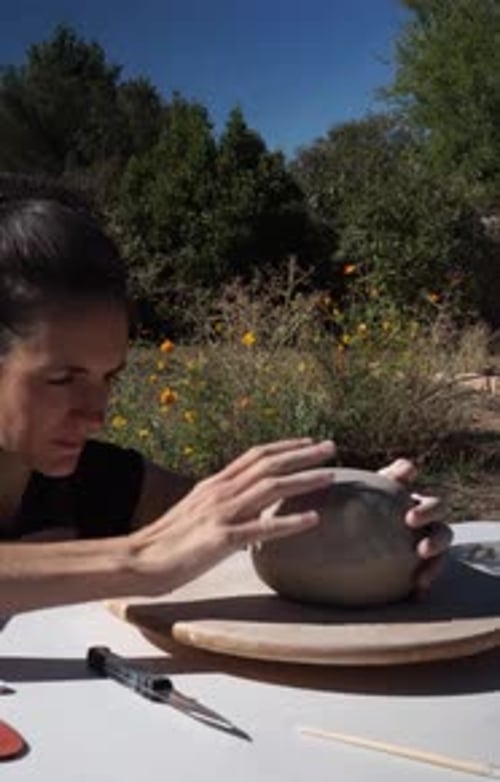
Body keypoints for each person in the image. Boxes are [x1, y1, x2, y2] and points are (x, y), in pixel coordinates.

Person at [0, 194, 451, 616]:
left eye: (109, 377)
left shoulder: (99, 479)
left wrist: (376, 511)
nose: (96, 415)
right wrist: (140, 558)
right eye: (62, 379)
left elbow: (235, 518)